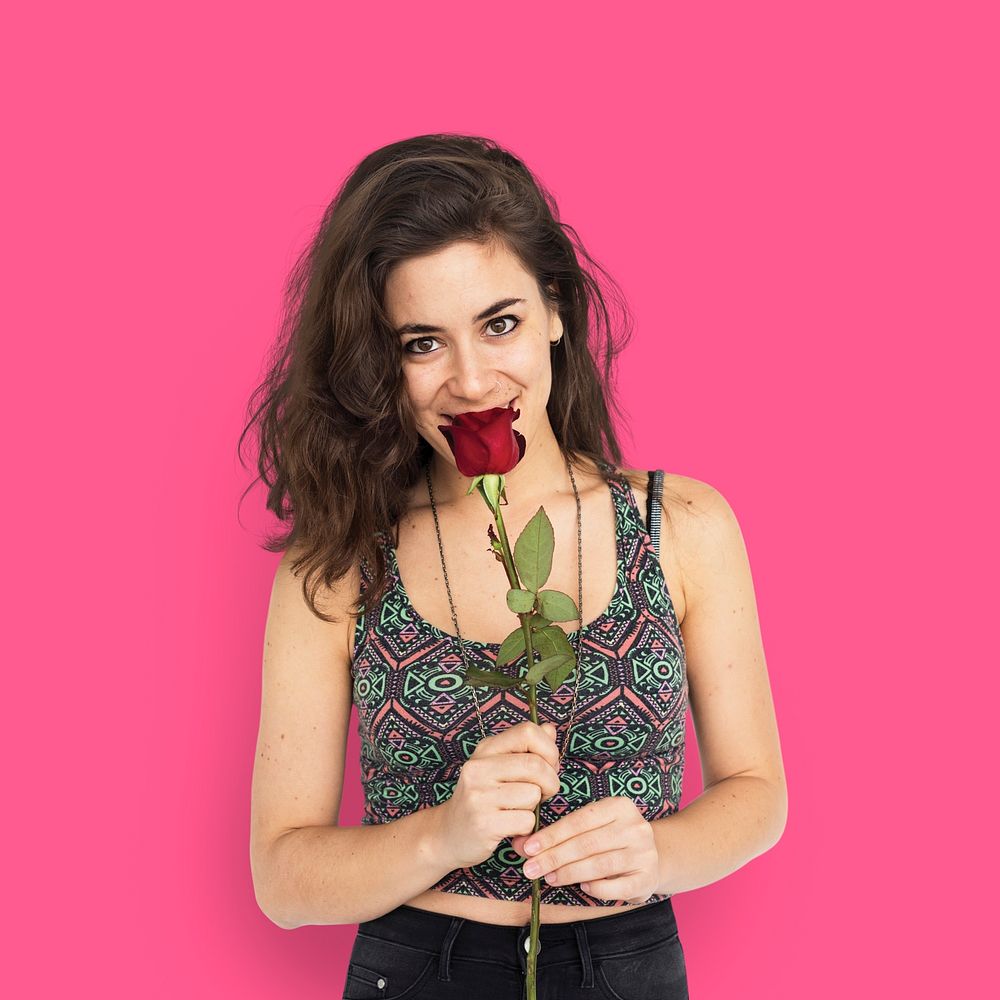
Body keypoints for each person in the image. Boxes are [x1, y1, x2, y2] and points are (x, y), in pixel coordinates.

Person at [243, 133, 787, 999]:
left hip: (628, 965)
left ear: (557, 311)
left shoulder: (681, 524)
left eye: (501, 324)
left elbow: (758, 794)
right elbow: (281, 876)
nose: (470, 379)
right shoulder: (339, 562)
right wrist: (443, 835)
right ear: (380, 360)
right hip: (417, 970)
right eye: (422, 343)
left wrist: (659, 851)